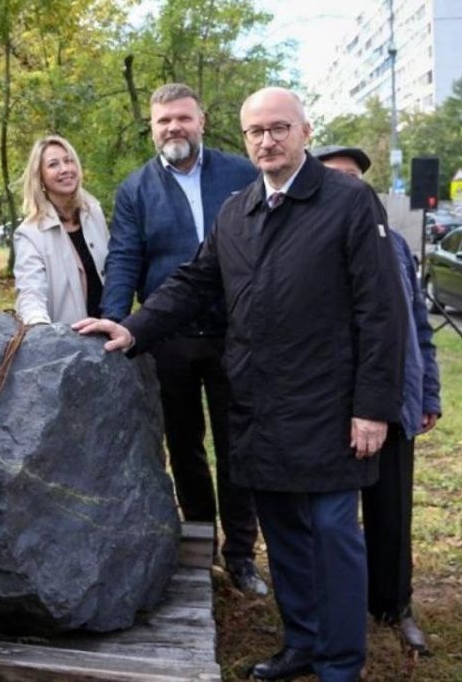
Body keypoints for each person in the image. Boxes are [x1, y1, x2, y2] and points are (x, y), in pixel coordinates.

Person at [75, 87, 407, 682]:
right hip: (260, 403)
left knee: (331, 535)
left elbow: (381, 312)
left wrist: (373, 407)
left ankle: (339, 662)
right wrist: (131, 328)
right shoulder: (239, 210)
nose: (267, 141)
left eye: (279, 128)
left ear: (305, 131)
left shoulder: (349, 202)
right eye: (255, 131)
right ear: (242, 136)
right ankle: (302, 642)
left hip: (330, 405)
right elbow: (194, 282)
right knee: (283, 535)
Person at [101, 83, 264, 594]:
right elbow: (124, 259)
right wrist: (116, 322)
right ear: (151, 129)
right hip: (168, 338)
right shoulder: (135, 189)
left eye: (182, 118)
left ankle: (242, 555)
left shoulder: (242, 174)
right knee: (185, 446)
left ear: (202, 120)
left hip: (235, 335)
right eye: (163, 121)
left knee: (239, 448)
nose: (174, 128)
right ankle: (201, 545)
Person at [313, 144, 441, 654]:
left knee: (391, 511)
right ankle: (336, 608)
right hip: (331, 405)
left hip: (392, 402)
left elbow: (418, 329)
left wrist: (427, 391)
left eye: (354, 177)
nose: (348, 186)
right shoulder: (310, 242)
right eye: (335, 177)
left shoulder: (395, 247)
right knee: (331, 518)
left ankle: (394, 604)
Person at [13, 135, 109, 325]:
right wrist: (39, 325)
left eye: (69, 160)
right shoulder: (30, 233)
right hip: (68, 342)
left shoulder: (94, 212)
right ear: (39, 177)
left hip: (109, 333)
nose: (65, 169)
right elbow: (31, 292)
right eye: (53, 164)